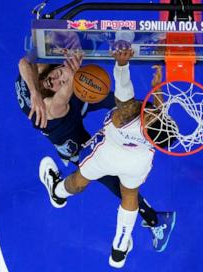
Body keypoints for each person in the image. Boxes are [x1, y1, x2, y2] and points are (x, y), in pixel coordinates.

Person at [15, 51, 170, 252]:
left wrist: (40, 90)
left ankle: (154, 121)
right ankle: (153, 219)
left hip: (77, 96)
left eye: (60, 74)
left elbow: (24, 61)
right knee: (110, 181)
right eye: (58, 81)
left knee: (130, 109)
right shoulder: (51, 108)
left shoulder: (43, 72)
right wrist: (70, 77)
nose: (56, 79)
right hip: (67, 131)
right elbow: (60, 98)